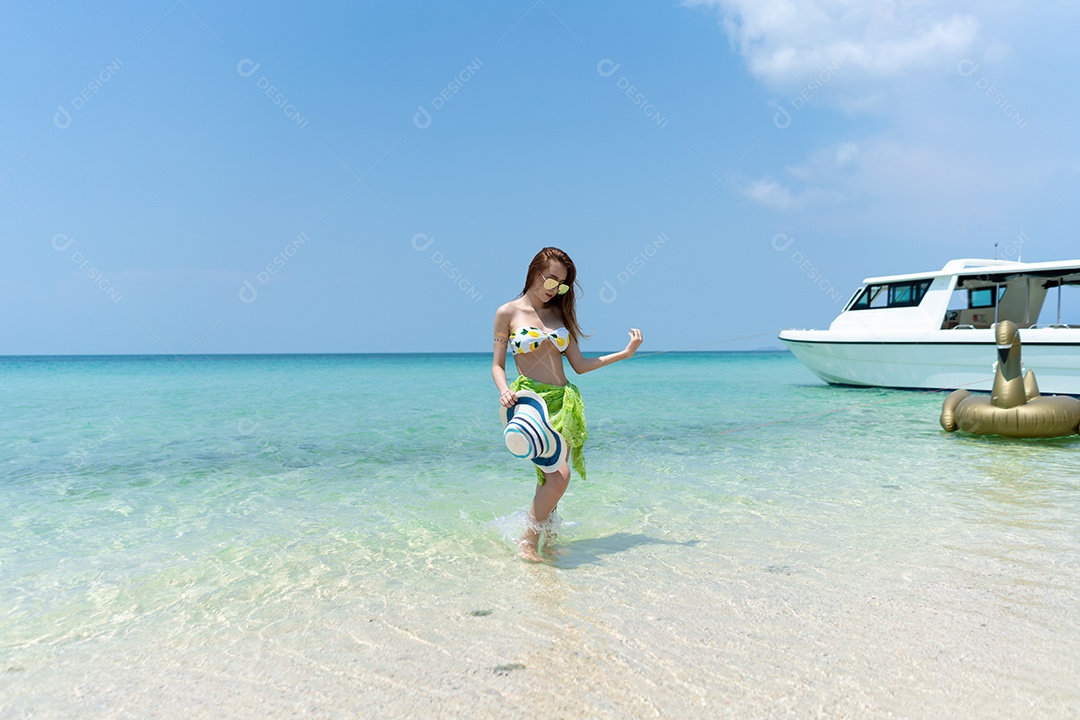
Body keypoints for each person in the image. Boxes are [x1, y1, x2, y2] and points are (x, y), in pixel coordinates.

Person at [492, 247, 643, 560]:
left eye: (561, 285)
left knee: (551, 479)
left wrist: (624, 353)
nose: (554, 289)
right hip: (530, 401)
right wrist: (503, 389)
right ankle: (528, 541)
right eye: (550, 279)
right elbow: (496, 365)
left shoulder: (559, 315)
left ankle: (552, 537)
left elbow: (580, 365)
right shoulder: (507, 313)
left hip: (564, 403)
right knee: (559, 477)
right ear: (534, 271)